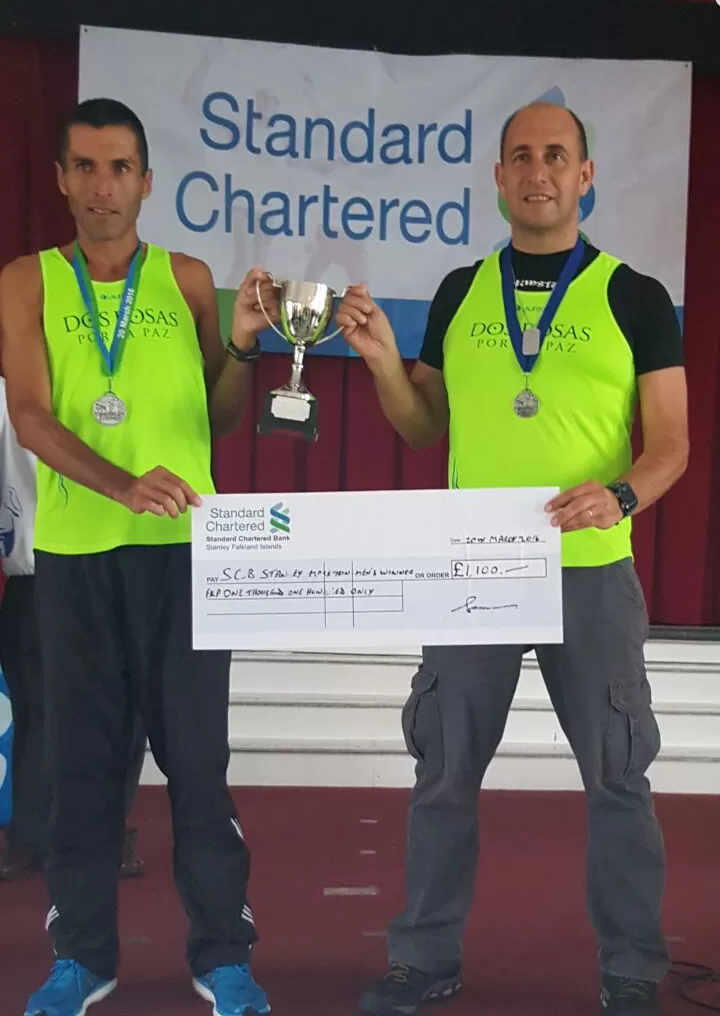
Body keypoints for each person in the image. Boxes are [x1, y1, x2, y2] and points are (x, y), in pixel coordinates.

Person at [336, 101, 689, 1016]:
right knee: (444, 770)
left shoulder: (634, 296)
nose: (539, 170)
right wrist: (379, 363)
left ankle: (633, 972)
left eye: (557, 155)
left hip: (589, 568)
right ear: (497, 179)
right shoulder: (459, 292)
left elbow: (672, 446)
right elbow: (422, 428)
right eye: (521, 156)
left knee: (617, 773)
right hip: (471, 568)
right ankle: (425, 958)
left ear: (586, 176)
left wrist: (617, 495)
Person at [0, 98, 278, 1016]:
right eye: (84, 167)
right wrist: (120, 485)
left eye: (120, 168)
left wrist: (241, 344)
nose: (102, 186)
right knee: (82, 769)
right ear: (60, 178)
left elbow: (223, 415)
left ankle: (223, 956)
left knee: (198, 763)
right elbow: (32, 419)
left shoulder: (190, 279)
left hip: (183, 559)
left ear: (148, 181)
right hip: (75, 558)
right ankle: (82, 956)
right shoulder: (27, 281)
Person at [0, 375, 146, 882]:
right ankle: (32, 834)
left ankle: (112, 829)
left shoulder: (122, 381)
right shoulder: (7, 396)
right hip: (37, 577)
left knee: (126, 708)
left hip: (124, 564)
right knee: (38, 709)